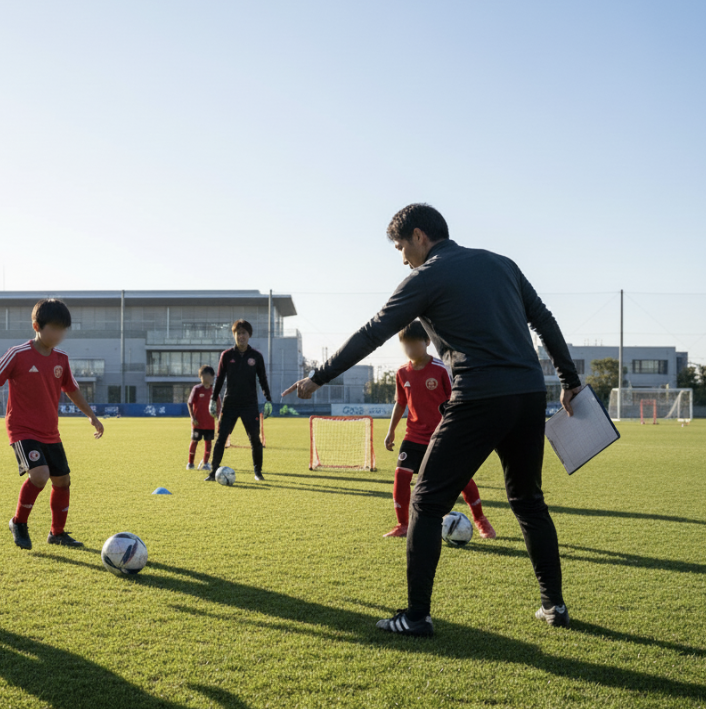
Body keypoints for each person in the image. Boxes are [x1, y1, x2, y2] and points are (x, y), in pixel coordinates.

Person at [283, 203, 583, 636]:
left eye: (402, 247)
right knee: (528, 501)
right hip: (528, 394)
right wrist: (568, 379)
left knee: (424, 500)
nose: (402, 257)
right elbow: (545, 321)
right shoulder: (503, 264)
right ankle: (554, 606)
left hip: (479, 395)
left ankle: (417, 617)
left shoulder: (427, 277)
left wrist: (319, 376)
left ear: (420, 237)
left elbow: (373, 331)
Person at [0, 298, 104, 550]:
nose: (60, 334)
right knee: (39, 475)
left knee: (63, 482)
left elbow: (72, 390)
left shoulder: (61, 359)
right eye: (55, 328)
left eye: (64, 329)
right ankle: (18, 522)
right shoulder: (17, 354)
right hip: (22, 429)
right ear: (37, 325)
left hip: (51, 432)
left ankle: (57, 533)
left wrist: (91, 416)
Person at [383, 321, 495, 540]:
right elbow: (400, 403)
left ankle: (481, 520)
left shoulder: (441, 369)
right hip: (413, 436)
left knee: (461, 477)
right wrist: (391, 431)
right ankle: (403, 524)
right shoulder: (401, 373)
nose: (409, 349)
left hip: (442, 435)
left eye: (413, 344)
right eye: (405, 345)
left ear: (427, 342)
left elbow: (457, 399)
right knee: (401, 476)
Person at [204, 319, 272, 483]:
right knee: (221, 439)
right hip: (230, 404)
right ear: (234, 335)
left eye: (244, 333)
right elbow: (220, 379)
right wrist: (213, 400)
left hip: (249, 404)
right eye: (238, 333)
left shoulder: (256, 356)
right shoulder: (226, 356)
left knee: (255, 438)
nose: (241, 336)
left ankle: (258, 472)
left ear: (249, 335)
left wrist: (268, 400)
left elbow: (263, 379)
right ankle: (213, 472)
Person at [186, 365, 216, 471]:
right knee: (194, 441)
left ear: (212, 377)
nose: (205, 379)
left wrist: (218, 416)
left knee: (208, 443)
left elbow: (219, 404)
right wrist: (193, 417)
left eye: (207, 376)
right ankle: (190, 463)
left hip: (210, 423)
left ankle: (206, 463)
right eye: (202, 376)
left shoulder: (214, 390)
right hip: (197, 423)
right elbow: (189, 403)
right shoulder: (197, 389)